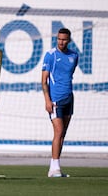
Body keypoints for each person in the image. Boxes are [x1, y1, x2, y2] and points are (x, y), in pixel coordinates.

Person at [41, 28, 78, 177]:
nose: (61, 42)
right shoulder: (50, 55)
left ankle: (56, 167)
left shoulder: (74, 56)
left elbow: (69, 75)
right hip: (55, 99)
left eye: (64, 39)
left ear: (69, 40)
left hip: (69, 98)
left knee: (63, 134)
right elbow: (44, 80)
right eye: (59, 39)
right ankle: (53, 168)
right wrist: (47, 100)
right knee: (58, 132)